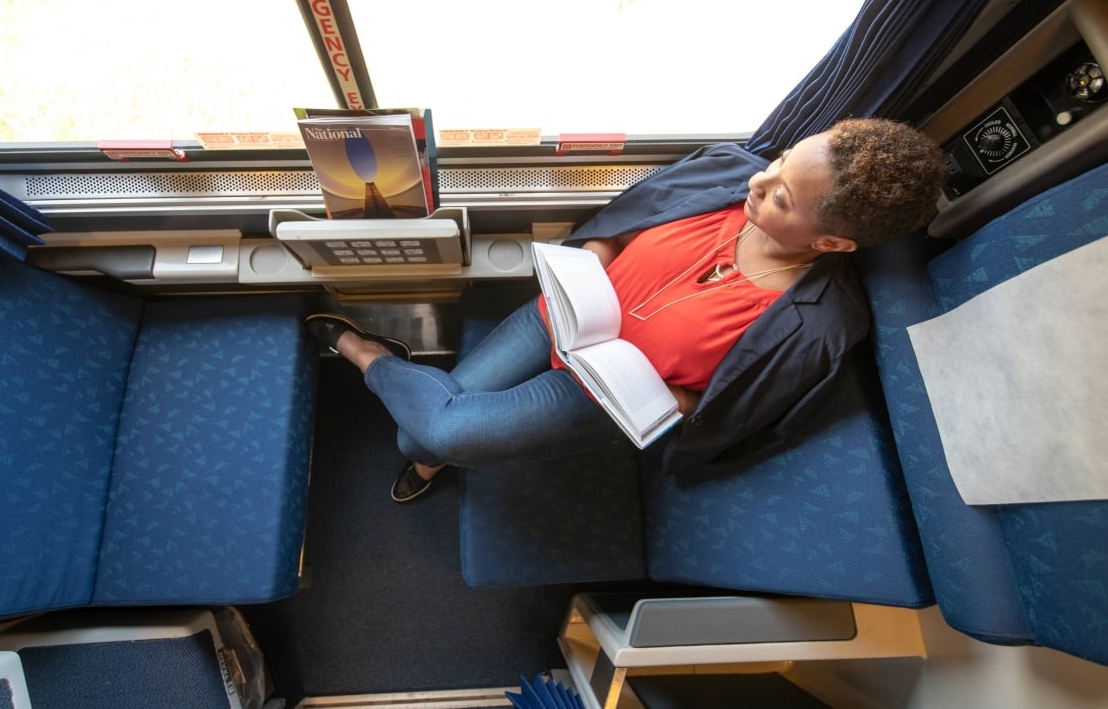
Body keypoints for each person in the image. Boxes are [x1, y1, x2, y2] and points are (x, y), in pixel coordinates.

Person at [306, 118, 946, 502]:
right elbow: (615, 225)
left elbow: (729, 406)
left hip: (599, 394)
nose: (757, 181)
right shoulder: (723, 171)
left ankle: (370, 355)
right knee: (425, 432)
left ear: (830, 242)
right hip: (557, 316)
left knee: (431, 431)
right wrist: (589, 263)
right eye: (779, 162)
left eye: (781, 195)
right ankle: (415, 427)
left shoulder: (824, 326)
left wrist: (657, 396)